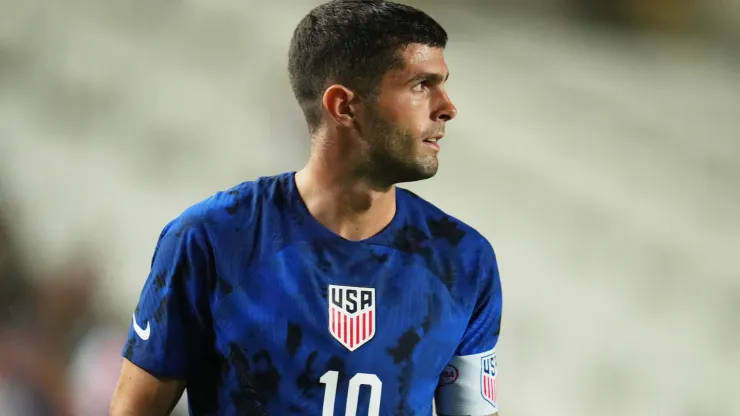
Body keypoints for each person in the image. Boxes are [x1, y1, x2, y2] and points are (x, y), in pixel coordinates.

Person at [109, 1, 503, 415]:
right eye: (422, 85)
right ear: (343, 106)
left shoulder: (465, 262)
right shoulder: (211, 239)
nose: (447, 107)